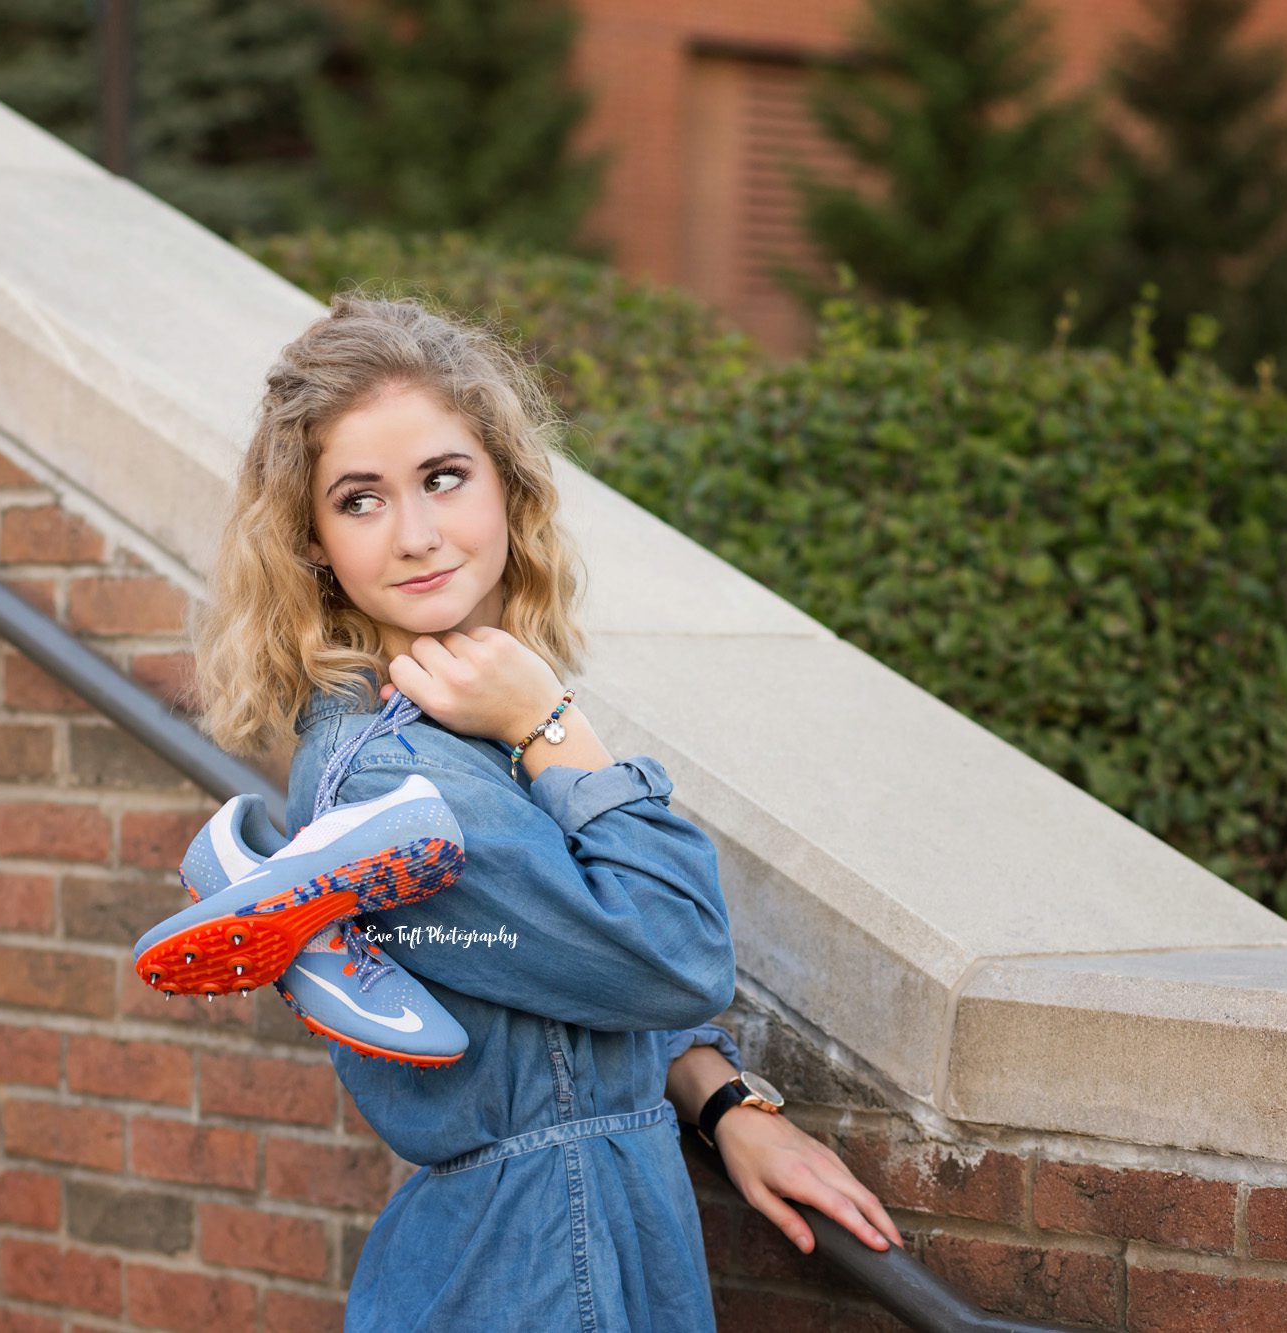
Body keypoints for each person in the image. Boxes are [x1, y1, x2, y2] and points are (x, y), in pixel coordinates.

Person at [190, 292, 902, 1329]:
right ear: (311, 543)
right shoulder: (401, 779)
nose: (416, 534)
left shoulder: (463, 726)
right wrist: (559, 728)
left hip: (583, 1226)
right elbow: (672, 954)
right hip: (528, 1264)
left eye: (442, 478)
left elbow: (578, 984)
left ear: (506, 487)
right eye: (359, 499)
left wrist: (721, 1099)